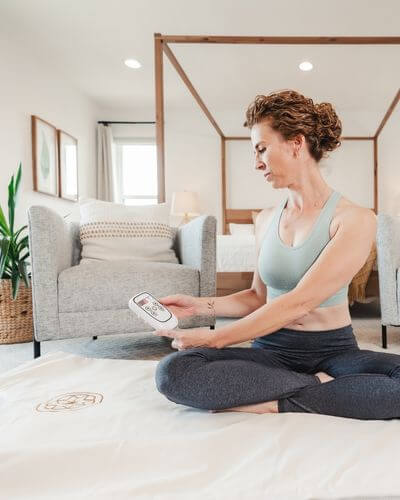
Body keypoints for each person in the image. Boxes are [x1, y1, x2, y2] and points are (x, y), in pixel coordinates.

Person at [153, 89, 400, 420]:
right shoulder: (266, 218)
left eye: (261, 149)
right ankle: (322, 388)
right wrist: (199, 305)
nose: (257, 163)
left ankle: (276, 398)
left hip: (334, 352)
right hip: (271, 351)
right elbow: (258, 297)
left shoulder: (355, 219)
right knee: (172, 372)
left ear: (296, 144)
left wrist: (216, 339)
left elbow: (300, 301)